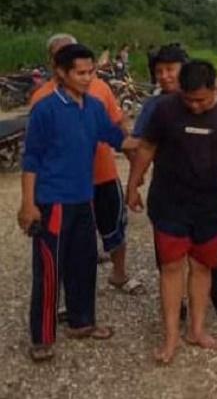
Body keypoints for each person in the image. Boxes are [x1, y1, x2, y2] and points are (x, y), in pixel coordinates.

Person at [126, 60, 217, 364]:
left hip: (209, 206)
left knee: (202, 267)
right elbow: (146, 147)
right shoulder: (165, 109)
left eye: (202, 99)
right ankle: (171, 336)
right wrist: (133, 184)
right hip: (169, 203)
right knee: (171, 268)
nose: (195, 106)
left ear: (216, 88)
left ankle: (196, 329)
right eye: (189, 100)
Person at [20, 43, 133, 362]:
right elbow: (31, 159)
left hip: (85, 198)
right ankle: (42, 337)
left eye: (91, 72)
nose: (87, 78)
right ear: (61, 72)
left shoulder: (93, 106)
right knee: (49, 269)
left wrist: (151, 140)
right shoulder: (45, 109)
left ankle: (82, 322)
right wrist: (28, 205)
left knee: (84, 264)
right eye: (80, 73)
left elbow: (117, 138)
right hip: (53, 201)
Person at [30, 34, 143, 297]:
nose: (83, 73)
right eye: (63, 57)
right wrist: (30, 200)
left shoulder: (98, 89)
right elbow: (34, 155)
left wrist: (137, 166)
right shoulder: (42, 100)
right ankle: (62, 297)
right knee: (65, 242)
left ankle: (118, 274)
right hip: (63, 188)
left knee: (114, 226)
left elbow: (117, 130)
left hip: (102, 174)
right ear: (55, 64)